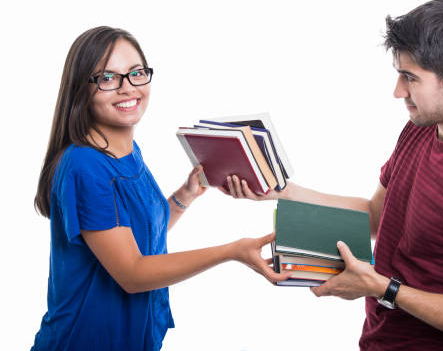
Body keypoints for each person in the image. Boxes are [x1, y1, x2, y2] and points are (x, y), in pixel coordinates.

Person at [224, 0, 443, 350]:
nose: (397, 91)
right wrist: (283, 190)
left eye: (410, 78)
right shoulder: (421, 127)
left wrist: (382, 288)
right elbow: (377, 217)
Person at [31, 26, 289, 351]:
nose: (128, 89)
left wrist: (186, 195)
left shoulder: (126, 152)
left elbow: (136, 235)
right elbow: (132, 272)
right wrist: (231, 251)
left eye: (136, 73)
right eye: (108, 78)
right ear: (82, 87)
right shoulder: (86, 165)